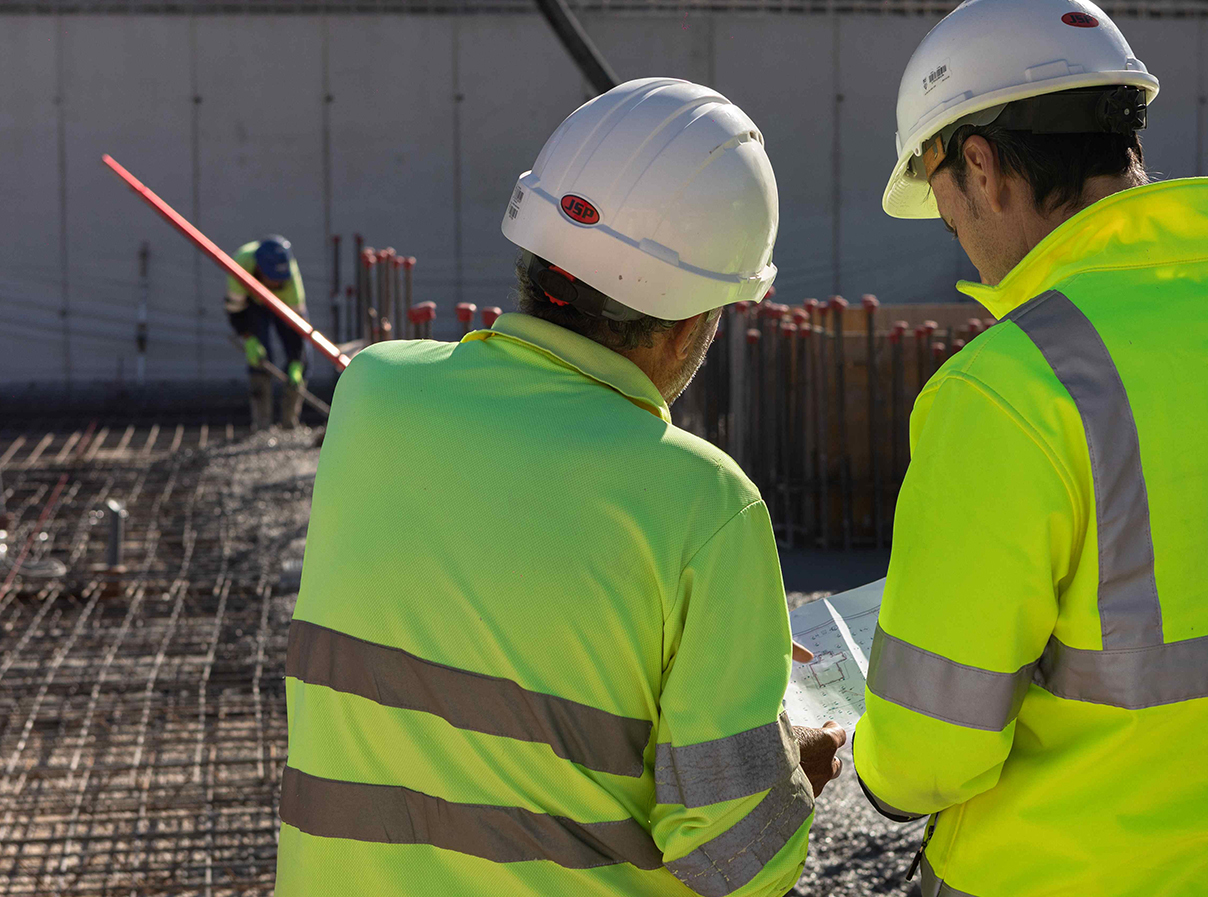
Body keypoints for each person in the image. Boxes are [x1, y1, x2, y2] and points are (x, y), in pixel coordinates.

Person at [852, 0, 1208, 896]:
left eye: (945, 197)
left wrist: (870, 754)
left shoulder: (1009, 389)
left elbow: (925, 760)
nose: (955, 229)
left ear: (982, 166)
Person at [276, 77, 845, 897]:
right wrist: (796, 774)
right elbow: (737, 863)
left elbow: (489, 593)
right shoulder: (707, 506)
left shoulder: (372, 392)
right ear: (696, 320)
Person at [226, 236, 308, 429]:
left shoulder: (290, 282)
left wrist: (297, 361)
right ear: (260, 271)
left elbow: (299, 327)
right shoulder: (240, 266)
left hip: (284, 305)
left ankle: (289, 423)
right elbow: (235, 311)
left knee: (302, 359)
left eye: (280, 280)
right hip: (254, 303)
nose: (276, 284)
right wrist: (249, 338)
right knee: (260, 359)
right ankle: (262, 424)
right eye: (272, 279)